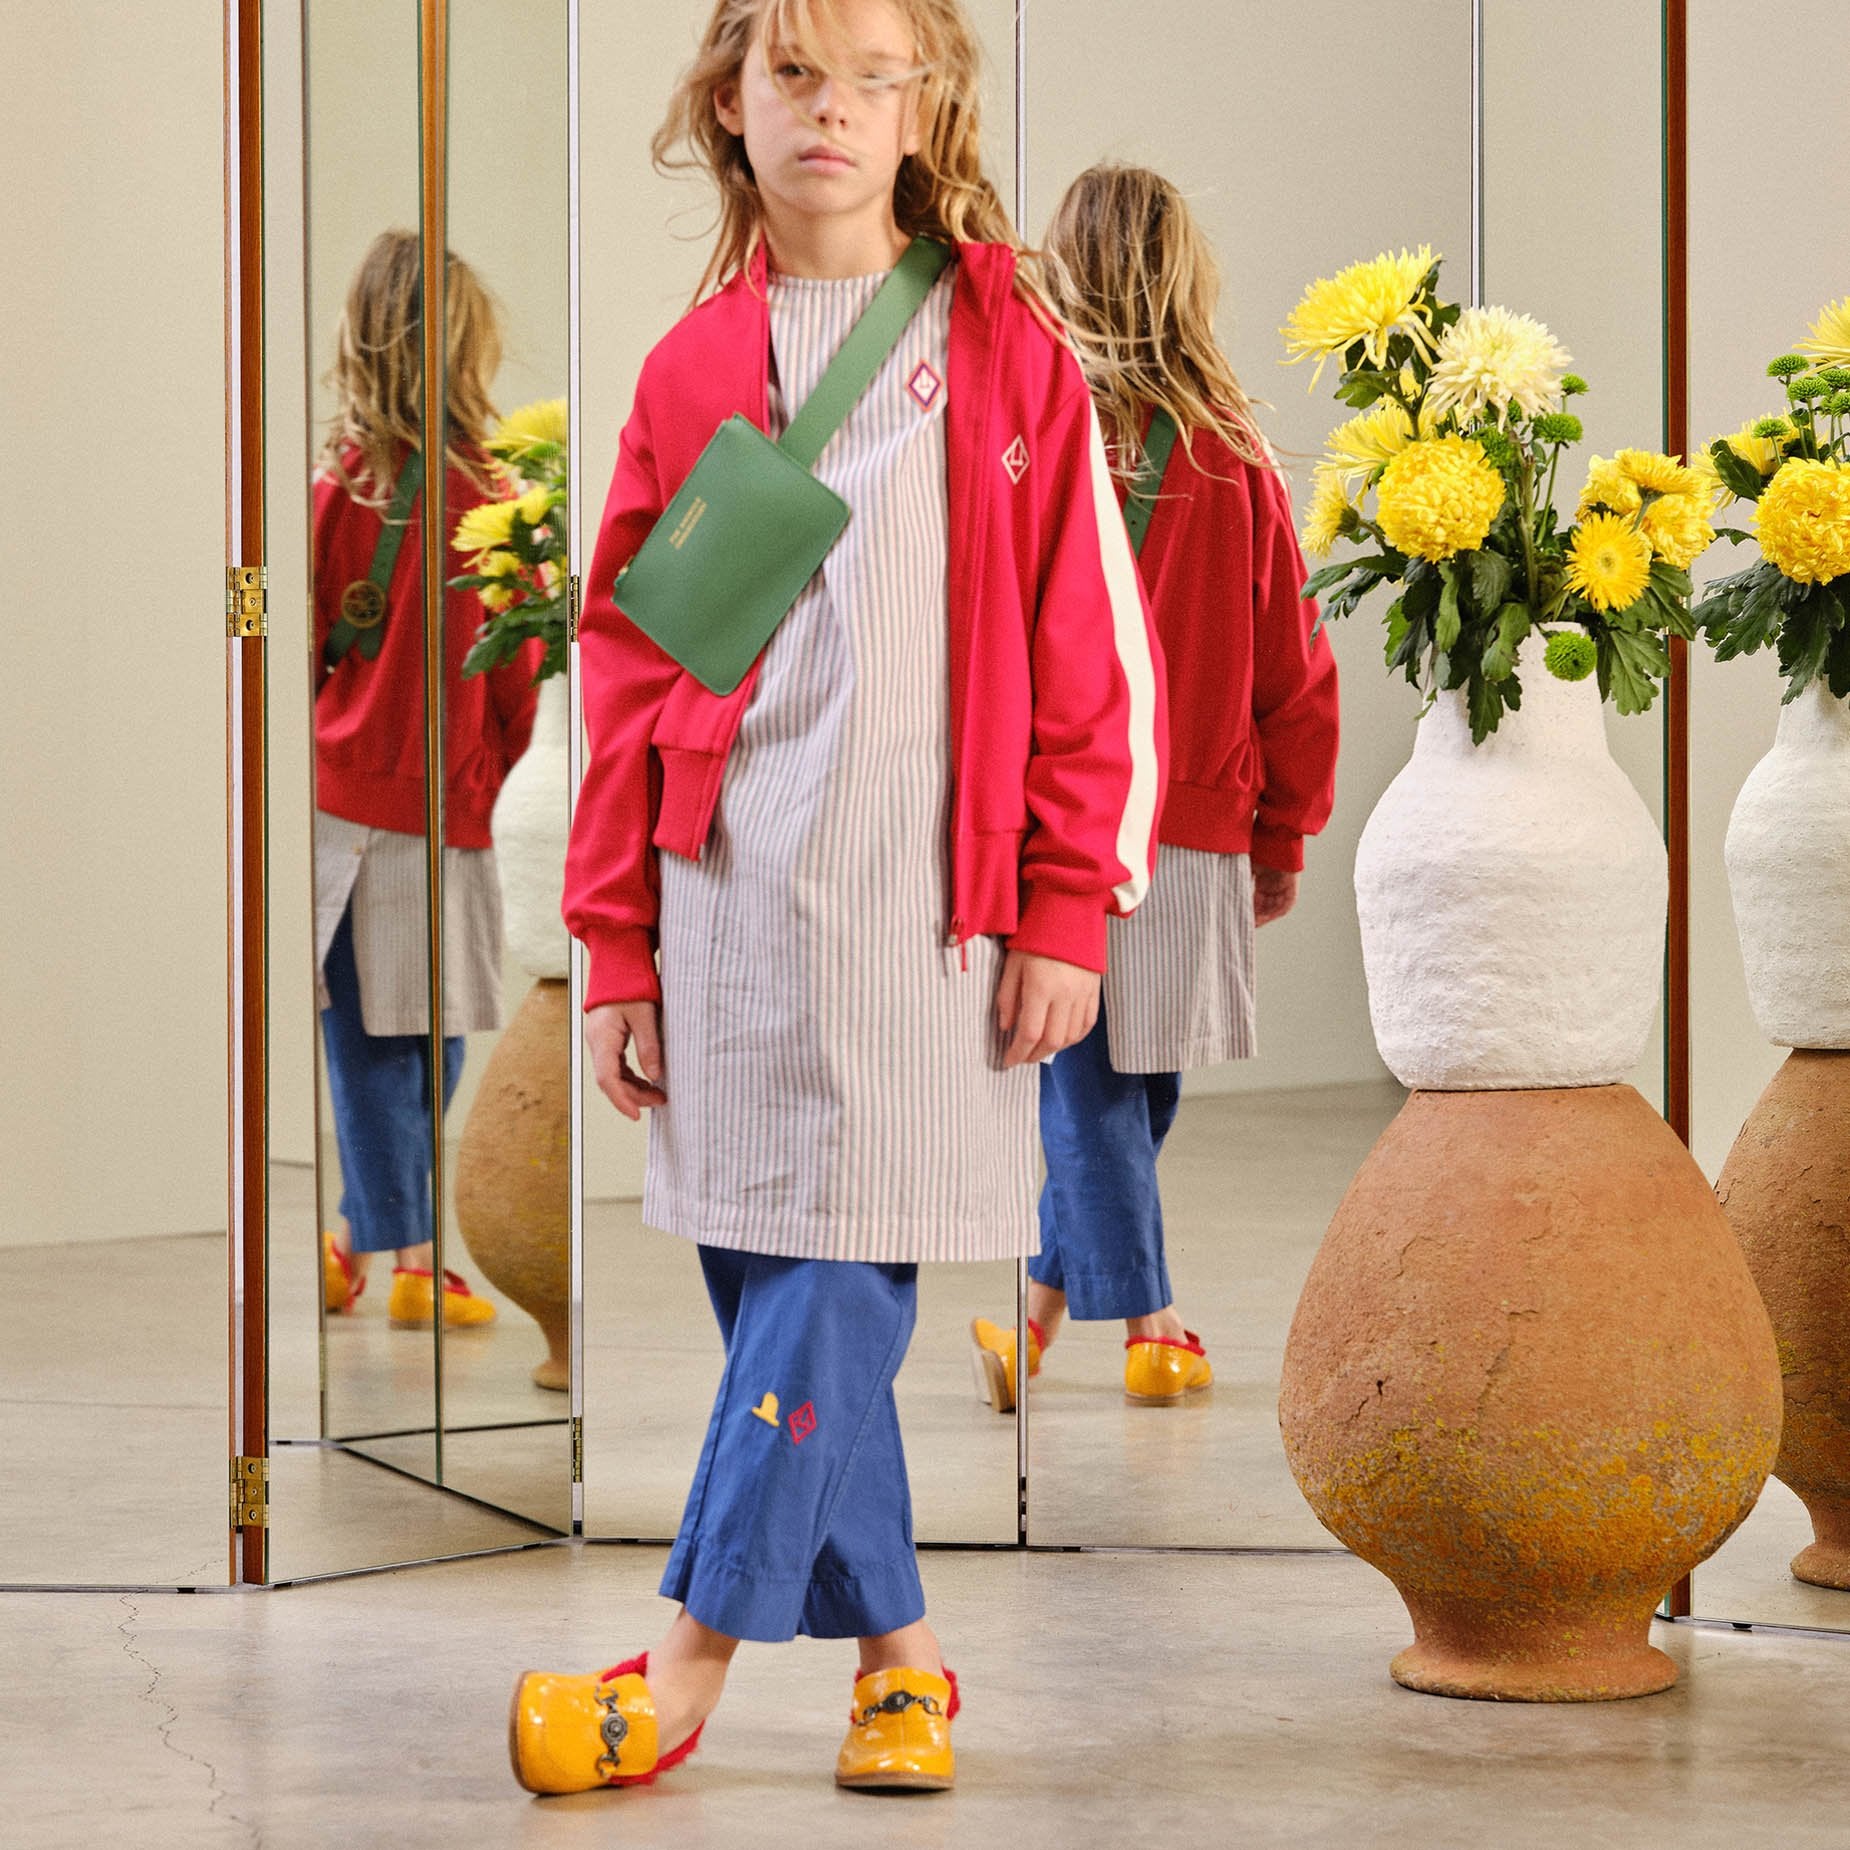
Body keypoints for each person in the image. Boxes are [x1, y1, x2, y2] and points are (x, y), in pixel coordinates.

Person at [508, 0, 1163, 1800]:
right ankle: (903, 1665)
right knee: (782, 1286)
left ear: (921, 108)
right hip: (725, 908)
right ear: (731, 100)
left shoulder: (1011, 350)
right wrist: (617, 940)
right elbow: (629, 669)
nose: (834, 110)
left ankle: (682, 1666)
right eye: (795, 72)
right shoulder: (689, 368)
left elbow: (1083, 642)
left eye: (876, 78)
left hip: (932, 916)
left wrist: (1067, 903)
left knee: (834, 1283)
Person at [970, 163, 1339, 1411]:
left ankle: (1036, 1314)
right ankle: (1151, 1322)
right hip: (1186, 818)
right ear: (1187, 273)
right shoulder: (1233, 453)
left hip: (1056, 808)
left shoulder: (1028, 435)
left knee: (1123, 1082)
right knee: (1104, 1081)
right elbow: (1295, 660)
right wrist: (1280, 827)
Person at [312, 229, 541, 1329]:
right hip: (451, 807)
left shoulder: (335, 489)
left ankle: (371, 1239)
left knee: (372, 1042)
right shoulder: (497, 501)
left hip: (339, 806)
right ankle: (411, 1255)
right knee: (429, 1037)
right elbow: (520, 672)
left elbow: (296, 646)